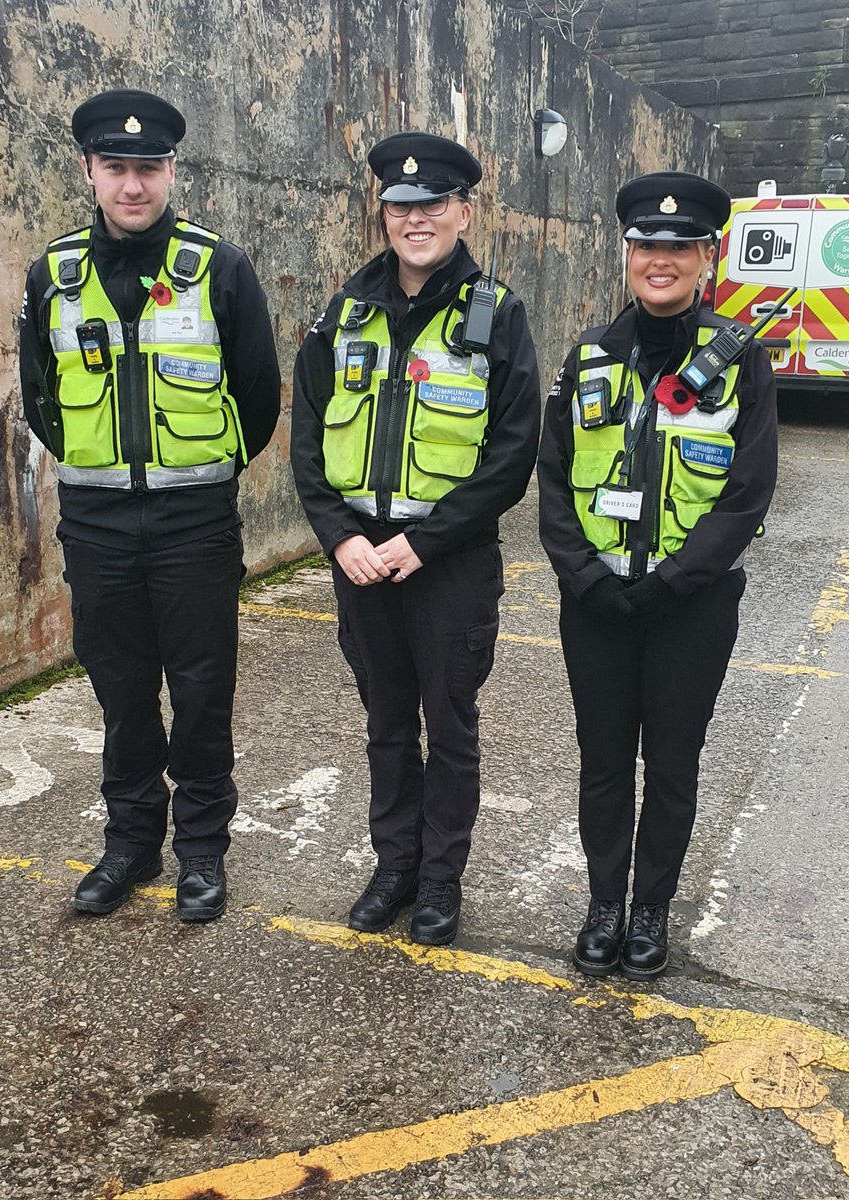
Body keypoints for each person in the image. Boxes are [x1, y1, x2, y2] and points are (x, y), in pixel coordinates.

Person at [19, 89, 280, 923]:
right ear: (90, 171)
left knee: (202, 690)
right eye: (117, 168)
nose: (134, 185)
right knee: (121, 689)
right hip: (95, 521)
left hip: (193, 522)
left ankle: (201, 852)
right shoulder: (53, 275)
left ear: (172, 172)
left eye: (149, 168)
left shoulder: (221, 268)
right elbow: (40, 398)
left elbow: (260, 394)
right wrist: (99, 469)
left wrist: (203, 473)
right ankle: (130, 845)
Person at [291, 132, 541, 946]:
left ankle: (440, 882)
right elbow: (306, 443)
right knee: (387, 724)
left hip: (449, 565)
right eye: (401, 205)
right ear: (383, 214)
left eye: (434, 204)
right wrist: (339, 538)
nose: (417, 218)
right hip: (361, 561)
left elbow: (510, 455)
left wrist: (423, 543)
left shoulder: (497, 316)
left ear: (463, 212)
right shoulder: (342, 314)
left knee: (451, 727)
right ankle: (393, 868)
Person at [537, 171, 778, 980]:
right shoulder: (589, 358)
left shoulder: (741, 364)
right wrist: (585, 578)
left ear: (707, 258)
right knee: (602, 762)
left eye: (679, 247)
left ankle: (650, 911)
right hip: (598, 603)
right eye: (647, 245)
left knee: (671, 767)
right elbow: (555, 478)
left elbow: (747, 495)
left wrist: (673, 582)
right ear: (627, 253)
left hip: (690, 608)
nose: (661, 260)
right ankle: (604, 904)